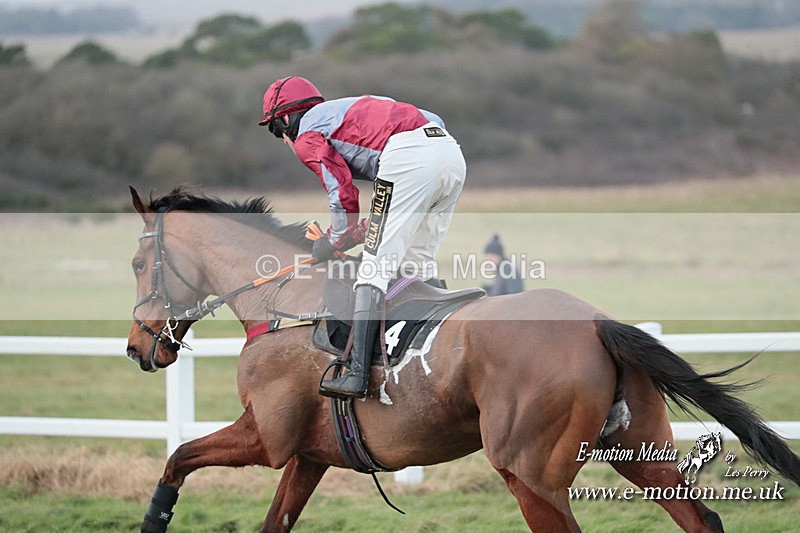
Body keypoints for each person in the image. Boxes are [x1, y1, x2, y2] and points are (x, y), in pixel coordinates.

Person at [259, 76, 466, 399]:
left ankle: (357, 374)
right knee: (416, 265)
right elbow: (429, 119)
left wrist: (335, 239)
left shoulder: (306, 137)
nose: (282, 140)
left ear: (286, 119)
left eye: (276, 130)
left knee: (374, 268)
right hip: (450, 153)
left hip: (410, 159)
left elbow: (341, 190)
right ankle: (435, 357)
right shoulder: (346, 109)